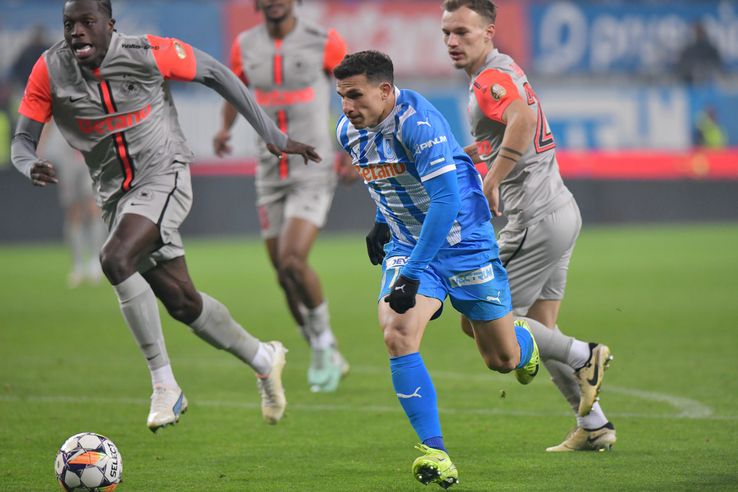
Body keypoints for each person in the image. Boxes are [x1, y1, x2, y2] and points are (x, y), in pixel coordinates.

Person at [11, 0, 321, 431]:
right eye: (69, 24)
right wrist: (28, 164)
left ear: (110, 25)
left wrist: (272, 134)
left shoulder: (146, 52)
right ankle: (263, 358)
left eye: (87, 22)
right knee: (182, 301)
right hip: (115, 196)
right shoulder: (50, 69)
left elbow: (216, 72)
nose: (77, 32)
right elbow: (22, 139)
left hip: (165, 173)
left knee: (115, 259)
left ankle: (165, 385)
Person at [334, 50, 540, 488]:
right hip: (410, 243)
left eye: (355, 95)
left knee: (500, 360)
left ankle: (524, 344)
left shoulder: (417, 123)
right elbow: (389, 180)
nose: (348, 107)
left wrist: (411, 274)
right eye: (341, 97)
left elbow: (446, 202)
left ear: (386, 91)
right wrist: (381, 222)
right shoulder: (349, 131)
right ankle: (435, 451)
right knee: (397, 332)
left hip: (464, 241)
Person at [441, 0, 615, 452]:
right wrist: (465, 157)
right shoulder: (507, 70)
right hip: (560, 210)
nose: (452, 41)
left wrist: (494, 179)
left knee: (477, 318)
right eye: (447, 33)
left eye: (462, 31)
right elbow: (498, 134)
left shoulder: (489, 80)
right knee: (539, 331)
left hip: (533, 219)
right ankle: (594, 425)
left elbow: (523, 119)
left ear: (490, 31)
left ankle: (586, 354)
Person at [213, 0, 350, 392]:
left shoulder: (324, 40)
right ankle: (321, 344)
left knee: (293, 258)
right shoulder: (245, 45)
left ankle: (324, 346)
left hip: (313, 166)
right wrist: (224, 129)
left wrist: (353, 149)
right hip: (269, 170)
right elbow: (233, 90)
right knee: (283, 274)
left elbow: (356, 92)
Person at [40, 123, 106, 287]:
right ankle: (77, 265)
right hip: (66, 153)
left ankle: (95, 262)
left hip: (89, 152)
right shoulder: (57, 98)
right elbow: (48, 119)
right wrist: (41, 148)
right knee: (73, 211)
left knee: (93, 207)